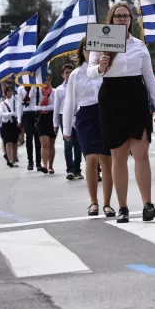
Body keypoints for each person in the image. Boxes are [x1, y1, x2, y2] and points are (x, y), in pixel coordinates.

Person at [87, 2, 155, 224]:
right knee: (118, 158)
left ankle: (148, 204)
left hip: (136, 99)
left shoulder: (139, 45)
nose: (122, 20)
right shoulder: (101, 42)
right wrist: (100, 67)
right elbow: (90, 72)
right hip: (111, 99)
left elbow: (149, 77)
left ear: (131, 19)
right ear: (111, 19)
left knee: (142, 154)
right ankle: (122, 207)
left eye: (126, 16)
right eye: (118, 16)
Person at [64, 37, 115, 217]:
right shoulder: (76, 74)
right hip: (85, 117)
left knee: (106, 161)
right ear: (82, 51)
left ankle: (107, 204)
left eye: (97, 47)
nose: (92, 51)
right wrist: (66, 130)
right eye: (88, 47)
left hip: (105, 115)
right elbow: (70, 102)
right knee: (91, 159)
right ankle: (93, 202)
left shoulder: (109, 70)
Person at [54, 64, 82, 180]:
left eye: (71, 72)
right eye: (67, 73)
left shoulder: (78, 86)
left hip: (77, 116)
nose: (69, 75)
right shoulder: (59, 90)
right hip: (63, 117)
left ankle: (77, 170)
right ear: (62, 75)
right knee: (68, 143)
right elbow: (56, 108)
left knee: (78, 144)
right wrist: (55, 124)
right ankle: (69, 169)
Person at [34, 74, 57, 174]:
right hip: (41, 119)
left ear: (50, 80)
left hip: (52, 118)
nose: (46, 82)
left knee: (51, 143)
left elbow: (55, 106)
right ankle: (44, 165)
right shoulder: (37, 91)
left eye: (47, 80)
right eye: (44, 81)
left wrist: (42, 108)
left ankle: (51, 166)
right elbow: (34, 106)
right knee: (44, 143)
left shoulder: (54, 91)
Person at [17, 84, 42, 171]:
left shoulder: (37, 86)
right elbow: (19, 104)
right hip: (26, 114)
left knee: (37, 139)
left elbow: (40, 100)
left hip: (35, 113)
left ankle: (38, 162)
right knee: (28, 137)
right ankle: (30, 162)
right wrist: (19, 120)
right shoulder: (20, 88)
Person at [0, 87, 19, 168]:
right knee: (8, 142)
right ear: (5, 93)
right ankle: (10, 161)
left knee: (15, 143)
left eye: (11, 91)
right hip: (6, 124)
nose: (10, 93)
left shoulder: (16, 101)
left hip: (14, 124)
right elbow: (0, 114)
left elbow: (19, 111)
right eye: (8, 91)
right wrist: (9, 114)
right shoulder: (2, 104)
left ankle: (14, 160)